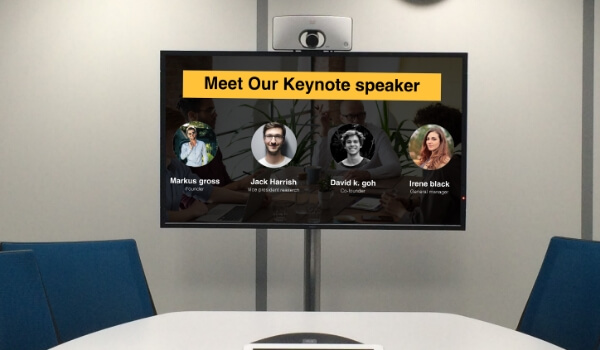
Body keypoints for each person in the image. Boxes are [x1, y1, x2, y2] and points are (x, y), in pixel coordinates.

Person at [380, 103, 462, 225]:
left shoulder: (440, 171)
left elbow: (423, 223)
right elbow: (442, 203)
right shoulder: (455, 162)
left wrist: (398, 211)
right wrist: (413, 203)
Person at [164, 108, 249, 222]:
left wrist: (248, 199)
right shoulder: (148, 172)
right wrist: (190, 212)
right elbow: (153, 217)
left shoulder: (178, 167)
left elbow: (208, 192)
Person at [176, 97, 260, 190]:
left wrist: (249, 188)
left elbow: (227, 184)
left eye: (214, 110)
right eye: (210, 111)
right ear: (192, 116)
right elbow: (205, 196)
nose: (215, 115)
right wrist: (240, 184)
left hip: (224, 203)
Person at [313, 100, 402, 181]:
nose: (356, 120)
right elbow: (318, 168)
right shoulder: (334, 133)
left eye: (360, 115)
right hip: (343, 186)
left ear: (365, 115)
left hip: (370, 187)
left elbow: (394, 167)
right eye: (351, 116)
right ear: (342, 118)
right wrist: (324, 130)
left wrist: (367, 174)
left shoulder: (378, 134)